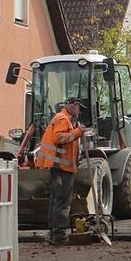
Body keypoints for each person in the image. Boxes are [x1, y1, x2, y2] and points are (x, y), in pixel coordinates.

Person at [35, 97, 87, 246]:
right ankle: (59, 235)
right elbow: (59, 138)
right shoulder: (62, 118)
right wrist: (78, 132)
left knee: (57, 199)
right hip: (61, 167)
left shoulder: (64, 119)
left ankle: (53, 233)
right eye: (78, 107)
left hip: (60, 167)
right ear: (72, 105)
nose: (79, 111)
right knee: (62, 201)